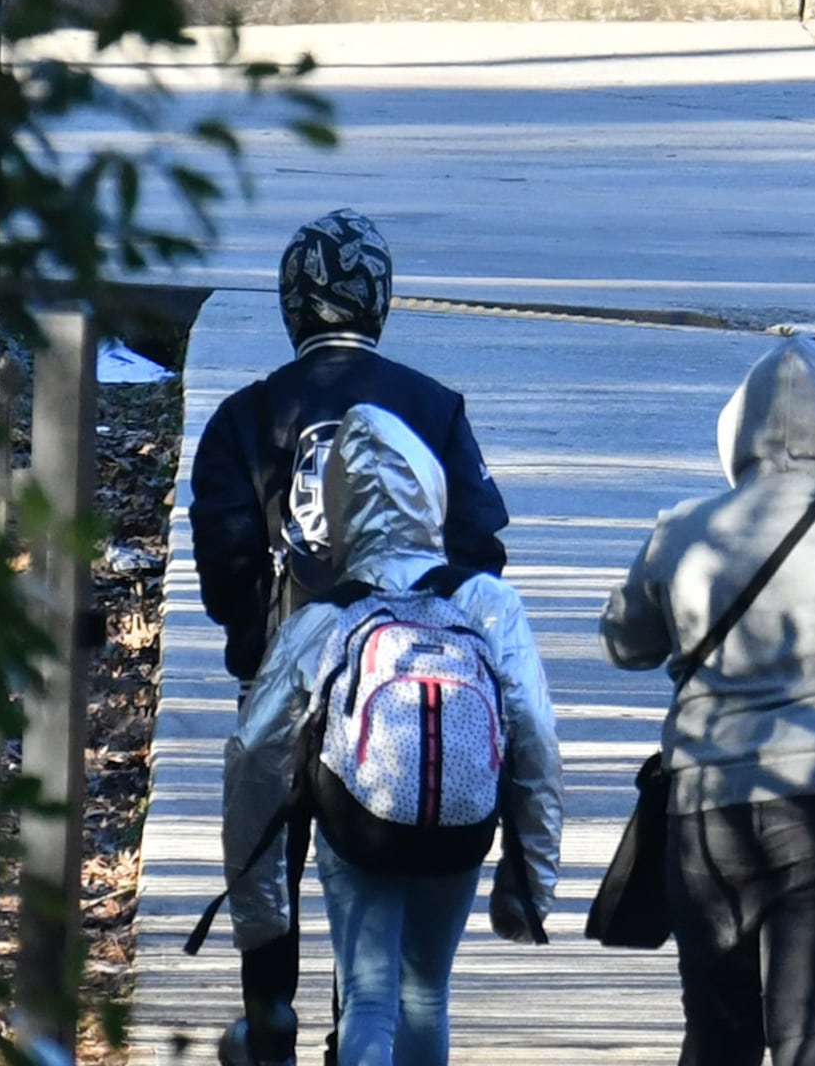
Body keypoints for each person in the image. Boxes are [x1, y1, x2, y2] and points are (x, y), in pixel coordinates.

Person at [194, 210, 513, 1061]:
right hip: (394, 688)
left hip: (282, 672)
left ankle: (270, 1020)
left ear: (290, 306)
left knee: (267, 853)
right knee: (369, 853)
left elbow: (225, 563)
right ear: (381, 301)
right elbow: (480, 551)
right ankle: (352, 1033)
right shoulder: (435, 410)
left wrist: (257, 633)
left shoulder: (245, 418)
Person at [605, 341, 815, 1066]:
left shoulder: (686, 528)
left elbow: (623, 643)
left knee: (719, 1040)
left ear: (740, 431)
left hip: (709, 819)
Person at [219, 407, 563, 1066]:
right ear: (432, 496)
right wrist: (531, 880)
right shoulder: (488, 602)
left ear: (341, 509)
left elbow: (255, 754)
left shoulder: (323, 617)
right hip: (460, 826)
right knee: (427, 993)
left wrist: (260, 906)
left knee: (369, 997)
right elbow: (535, 736)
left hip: (361, 823)